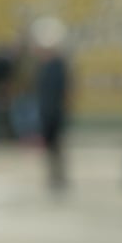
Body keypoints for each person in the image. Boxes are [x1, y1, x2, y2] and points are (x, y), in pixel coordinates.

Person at [29, 16, 71, 193]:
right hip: (49, 110)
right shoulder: (48, 66)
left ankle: (58, 176)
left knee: (55, 145)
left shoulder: (56, 66)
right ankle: (55, 176)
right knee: (52, 146)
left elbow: (59, 91)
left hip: (53, 111)